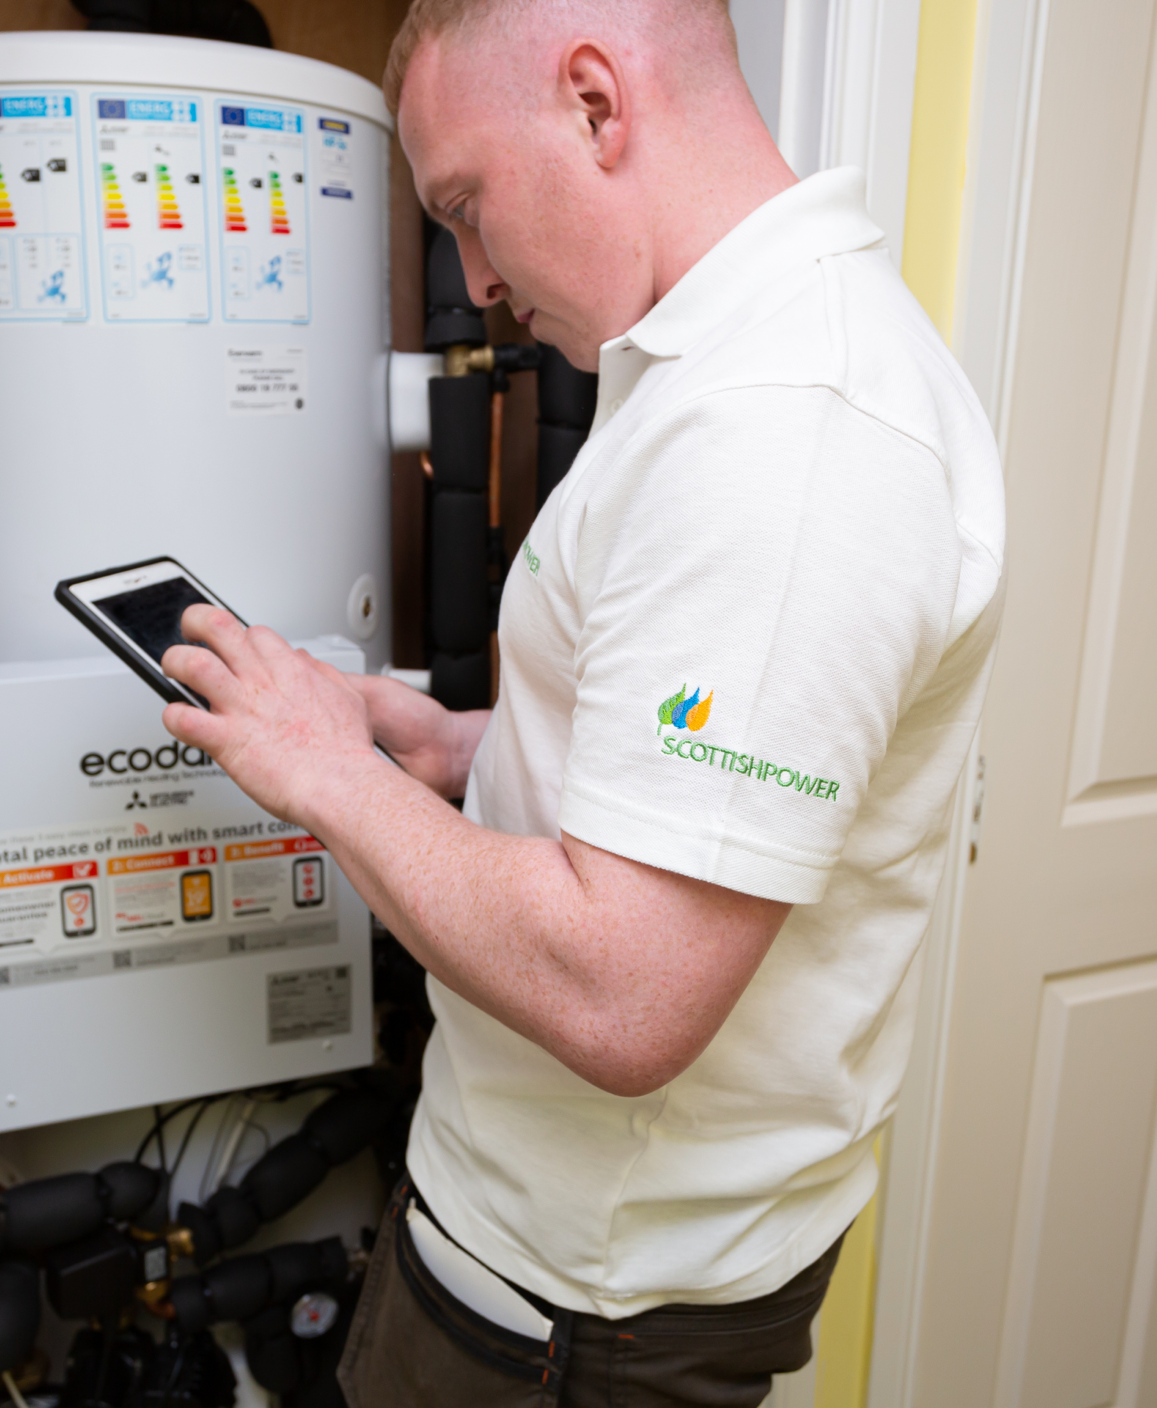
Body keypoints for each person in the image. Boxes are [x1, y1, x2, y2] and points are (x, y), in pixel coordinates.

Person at [161, 1, 1005, 1402]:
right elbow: (689, 775)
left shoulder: (789, 435)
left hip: (582, 1313)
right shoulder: (699, 365)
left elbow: (627, 993)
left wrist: (330, 774)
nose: (474, 278)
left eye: (467, 207)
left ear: (598, 104)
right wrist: (454, 745)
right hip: (526, 1237)